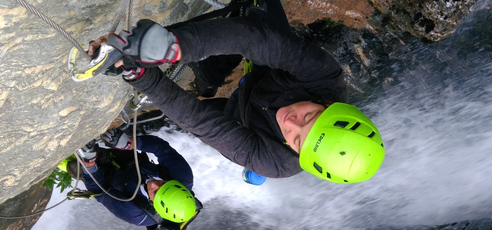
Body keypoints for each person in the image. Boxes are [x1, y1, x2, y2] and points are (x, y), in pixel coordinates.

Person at [89, 0, 385, 184]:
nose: (289, 121)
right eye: (308, 118)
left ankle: (207, 80)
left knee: (201, 112)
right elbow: (256, 42)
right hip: (266, 73)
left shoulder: (274, 162)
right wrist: (177, 46)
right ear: (330, 103)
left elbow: (204, 123)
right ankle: (208, 74)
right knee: (254, 13)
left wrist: (140, 76)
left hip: (241, 121)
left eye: (296, 140)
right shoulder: (325, 76)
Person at [67, 128, 202, 230]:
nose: (154, 184)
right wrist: (130, 143)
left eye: (155, 192)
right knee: (110, 136)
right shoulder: (183, 176)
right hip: (135, 163)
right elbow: (160, 147)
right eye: (163, 183)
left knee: (74, 166)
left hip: (110, 181)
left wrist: (89, 164)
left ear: (154, 205)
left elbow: (99, 192)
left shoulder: (136, 214)